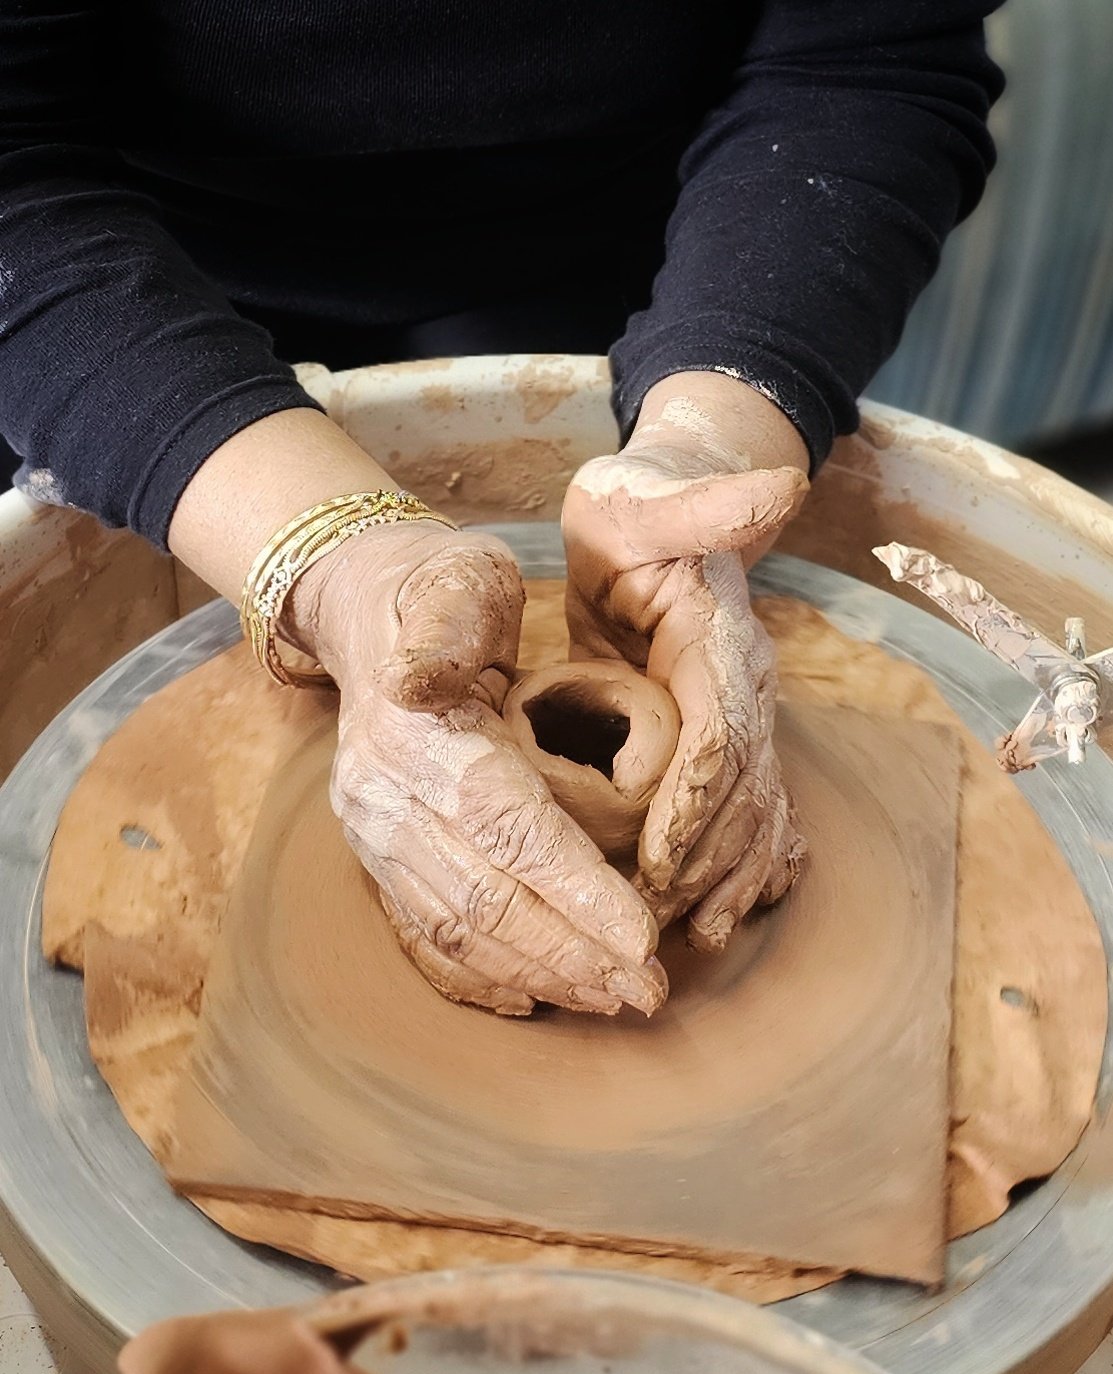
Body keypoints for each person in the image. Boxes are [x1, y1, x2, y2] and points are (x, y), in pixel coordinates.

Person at [0, 1, 1003, 1011]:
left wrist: (702, 451)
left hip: (668, 247)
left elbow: (869, 54)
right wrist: (339, 566)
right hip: (136, 288)